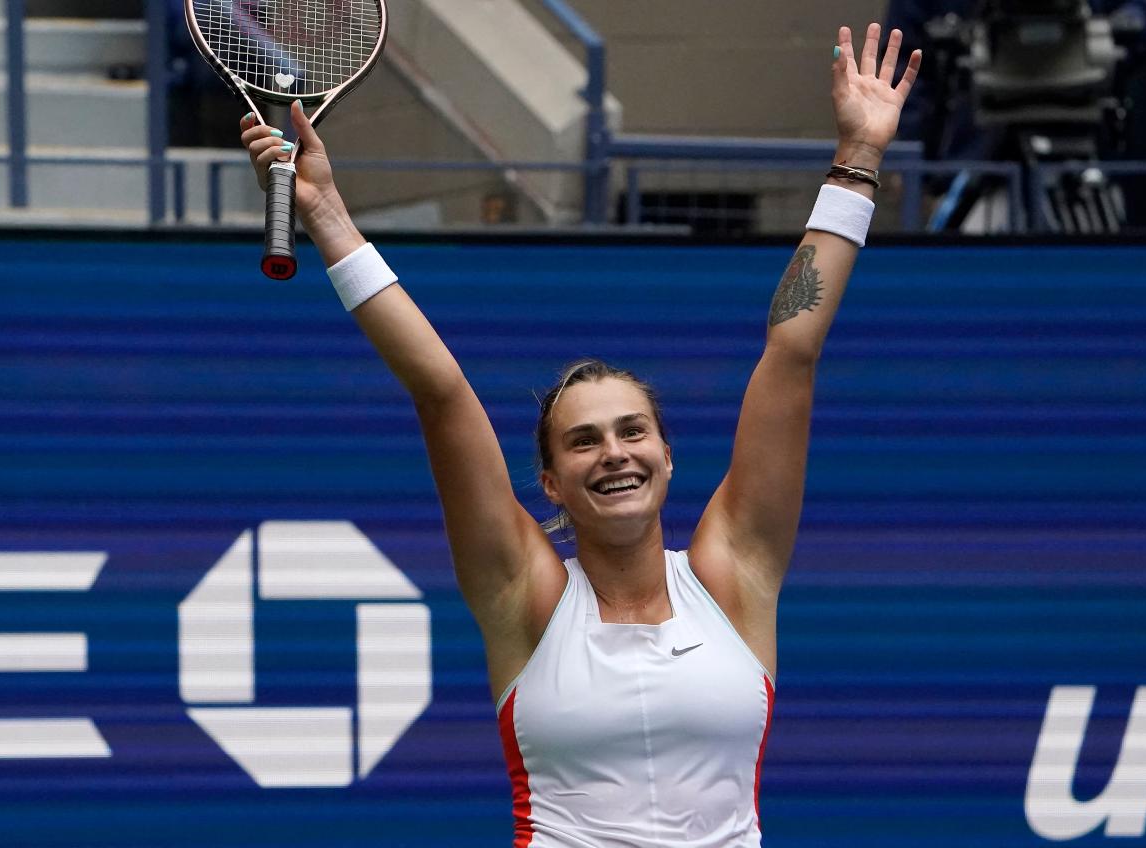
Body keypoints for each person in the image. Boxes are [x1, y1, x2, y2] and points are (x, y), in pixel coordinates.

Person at [240, 22, 919, 847]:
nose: (615, 453)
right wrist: (326, 215)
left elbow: (793, 349)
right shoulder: (522, 598)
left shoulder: (735, 573)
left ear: (667, 457)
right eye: (584, 441)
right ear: (552, 483)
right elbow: (442, 392)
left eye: (633, 431)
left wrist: (858, 160)